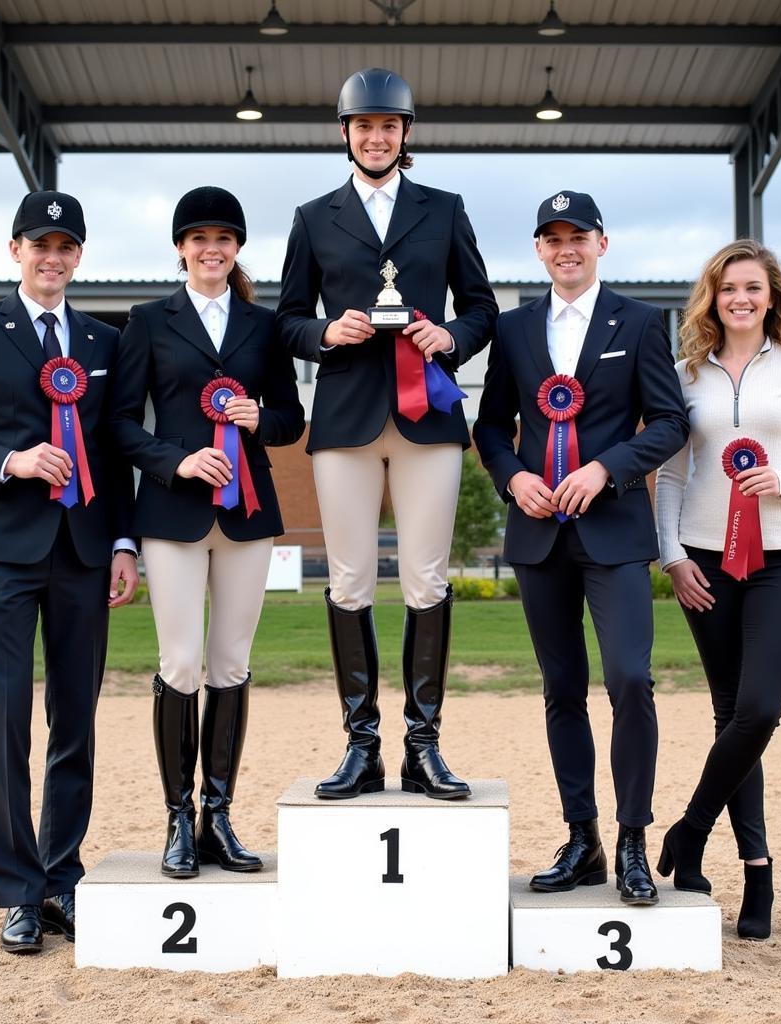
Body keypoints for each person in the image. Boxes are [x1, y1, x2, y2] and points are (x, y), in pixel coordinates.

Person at [0, 191, 138, 953]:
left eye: (66, 246)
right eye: (39, 244)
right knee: (4, 724)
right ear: (15, 250)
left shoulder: (107, 341)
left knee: (73, 723)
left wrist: (123, 543)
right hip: (2, 554)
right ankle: (17, 890)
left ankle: (61, 878)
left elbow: (115, 451)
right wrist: (7, 460)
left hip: (83, 551)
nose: (53, 257)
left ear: (80, 256)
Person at [276, 68, 497, 800]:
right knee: (348, 580)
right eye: (364, 126)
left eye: (389, 126)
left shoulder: (444, 208)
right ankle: (361, 744)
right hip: (343, 419)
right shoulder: (313, 216)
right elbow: (285, 319)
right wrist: (324, 331)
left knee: (427, 578)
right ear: (345, 134)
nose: (377, 137)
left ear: (406, 135)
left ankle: (423, 745)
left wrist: (449, 338)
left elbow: (483, 307)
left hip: (426, 416)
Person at [473, 190, 689, 904]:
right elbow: (490, 428)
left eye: (578, 236)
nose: (565, 248)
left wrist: (607, 467)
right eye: (552, 237)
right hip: (539, 534)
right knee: (562, 690)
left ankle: (633, 840)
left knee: (629, 677)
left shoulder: (641, 320)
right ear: (539, 249)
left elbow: (669, 421)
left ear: (602, 242)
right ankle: (583, 838)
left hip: (616, 529)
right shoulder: (512, 330)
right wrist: (515, 479)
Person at [111, 187, 304, 877]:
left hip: (247, 515)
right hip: (172, 515)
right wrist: (177, 458)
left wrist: (261, 419)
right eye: (199, 238)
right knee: (181, 662)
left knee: (231, 663)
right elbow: (122, 425)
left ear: (238, 248)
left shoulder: (264, 324)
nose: (212, 248)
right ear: (181, 248)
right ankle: (176, 820)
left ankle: (218, 816)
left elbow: (291, 418)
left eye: (224, 237)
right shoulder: (149, 320)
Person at [654, 238, 781, 938]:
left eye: (753, 288)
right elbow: (669, 476)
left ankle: (690, 832)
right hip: (705, 564)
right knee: (731, 715)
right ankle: (756, 869)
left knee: (759, 710)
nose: (741, 299)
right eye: (729, 288)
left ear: (772, 296)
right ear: (713, 295)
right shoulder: (684, 374)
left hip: (779, 558)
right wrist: (671, 558)